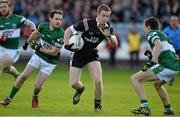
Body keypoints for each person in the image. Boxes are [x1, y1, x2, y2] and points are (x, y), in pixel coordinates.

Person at [0, 10, 64, 108]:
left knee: (37, 86)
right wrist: (27, 42)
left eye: (60, 19)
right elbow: (35, 34)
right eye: (56, 19)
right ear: (50, 18)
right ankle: (9, 99)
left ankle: (35, 95)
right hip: (38, 56)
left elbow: (54, 52)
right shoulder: (43, 26)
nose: (59, 21)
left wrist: (38, 48)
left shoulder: (61, 34)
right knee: (23, 76)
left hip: (50, 62)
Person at [64, 4, 118, 112]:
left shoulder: (107, 27)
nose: (106, 18)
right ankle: (80, 89)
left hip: (92, 53)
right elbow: (68, 31)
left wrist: (109, 36)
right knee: (74, 83)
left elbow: (115, 44)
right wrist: (66, 45)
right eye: (104, 15)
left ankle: (97, 105)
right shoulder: (86, 23)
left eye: (108, 16)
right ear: (98, 14)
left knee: (98, 80)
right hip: (78, 54)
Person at [130, 17, 180, 116]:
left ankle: (145, 107)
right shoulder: (163, 35)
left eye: (144, 27)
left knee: (134, 78)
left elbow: (158, 46)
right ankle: (168, 109)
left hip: (167, 66)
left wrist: (153, 61)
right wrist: (152, 56)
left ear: (148, 27)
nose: (144, 29)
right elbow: (165, 50)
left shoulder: (151, 33)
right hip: (175, 66)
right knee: (157, 85)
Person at [0, 0, 36, 79]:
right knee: (6, 69)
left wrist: (33, 34)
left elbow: (31, 24)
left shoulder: (18, 19)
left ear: (9, 8)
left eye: (4, 7)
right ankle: (17, 75)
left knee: (0, 65)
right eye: (1, 7)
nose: (3, 9)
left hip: (12, 51)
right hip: (1, 49)